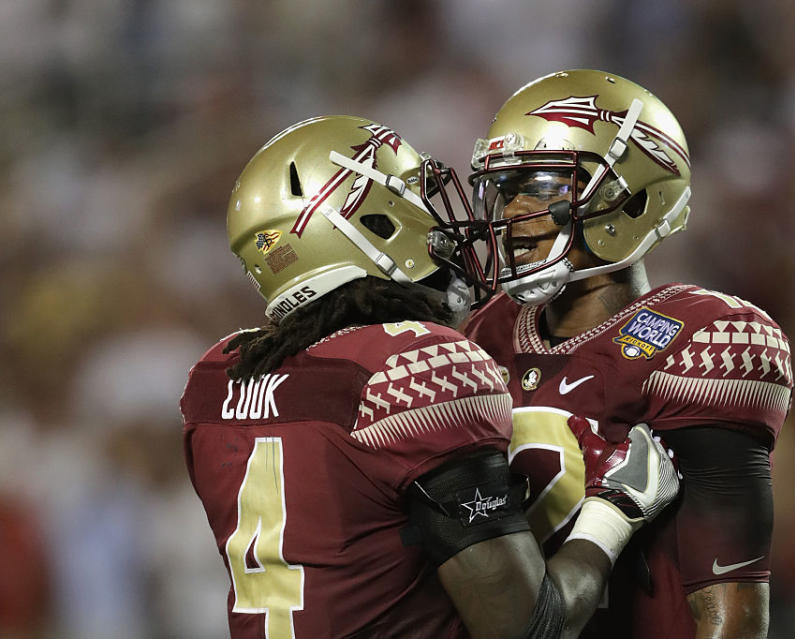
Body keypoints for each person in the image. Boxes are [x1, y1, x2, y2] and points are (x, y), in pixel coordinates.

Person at [180, 115, 680, 639]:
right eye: (413, 202)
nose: (442, 228)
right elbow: (530, 628)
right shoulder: (413, 368)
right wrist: (615, 510)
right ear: (370, 225)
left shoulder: (215, 379)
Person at [462, 69, 794, 638]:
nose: (513, 211)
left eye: (540, 187)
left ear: (631, 198)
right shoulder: (483, 334)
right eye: (507, 188)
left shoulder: (703, 342)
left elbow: (731, 613)